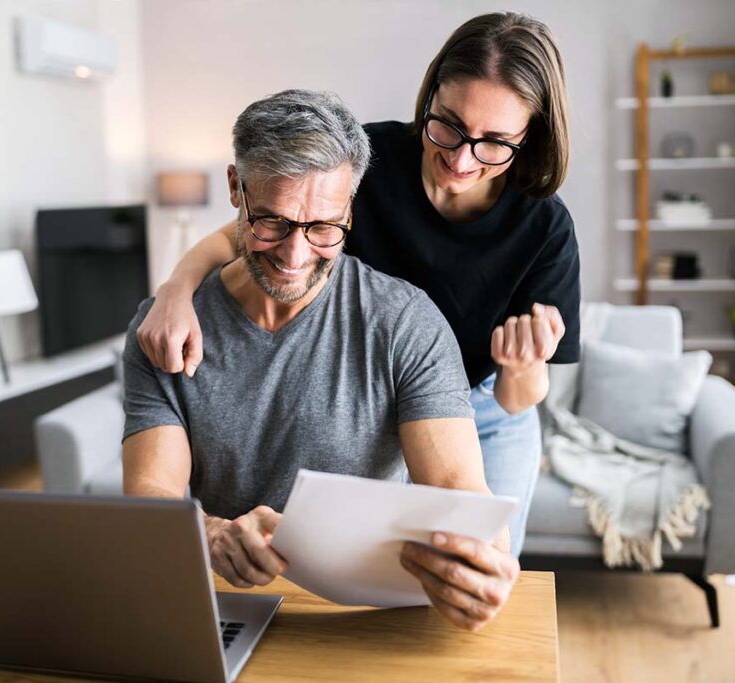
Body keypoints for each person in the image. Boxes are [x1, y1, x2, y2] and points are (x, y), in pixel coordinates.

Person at [134, 12, 581, 557]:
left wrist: (523, 364)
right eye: (448, 124)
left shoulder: (544, 227)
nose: (461, 158)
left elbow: (520, 399)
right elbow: (259, 228)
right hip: (379, 392)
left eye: (494, 142)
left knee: (482, 561)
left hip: (484, 403)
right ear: (430, 97)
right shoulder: (367, 160)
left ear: (528, 136)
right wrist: (176, 290)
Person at [123, 89, 519, 632]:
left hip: (361, 621)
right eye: (272, 223)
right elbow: (151, 497)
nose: (295, 255)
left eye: (323, 228)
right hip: (224, 610)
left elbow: (458, 488)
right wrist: (212, 532)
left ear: (350, 210)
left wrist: (486, 559)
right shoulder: (164, 329)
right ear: (236, 187)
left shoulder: (404, 321)